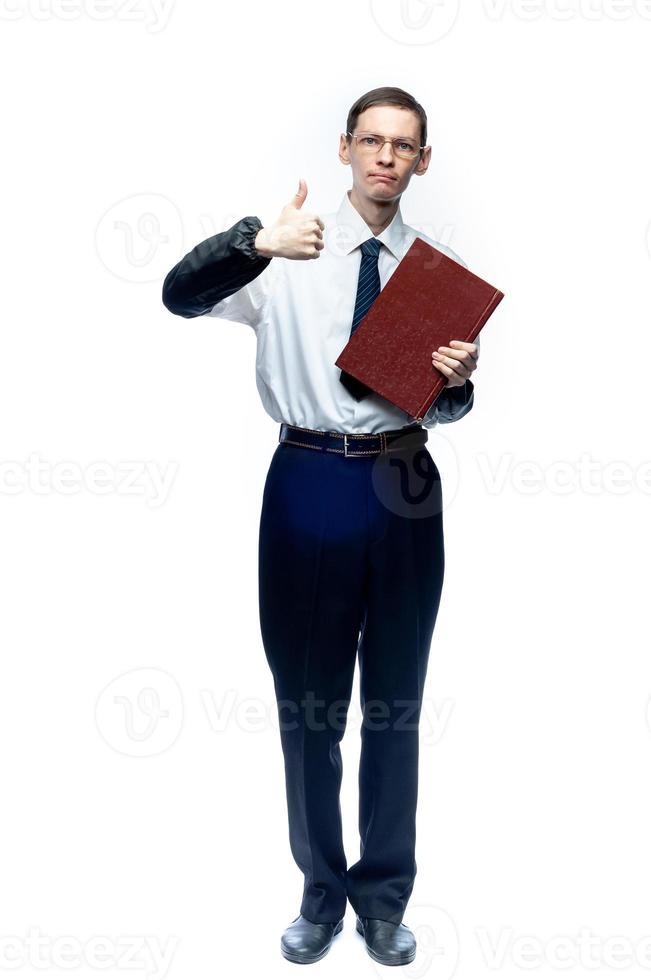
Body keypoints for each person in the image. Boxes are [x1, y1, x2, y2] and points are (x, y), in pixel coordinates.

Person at [162, 85, 480, 966]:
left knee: (395, 706)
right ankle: (318, 892)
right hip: (307, 478)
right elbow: (176, 297)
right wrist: (249, 242)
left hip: (405, 483)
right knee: (310, 712)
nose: (385, 157)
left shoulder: (436, 272)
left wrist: (456, 380)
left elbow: (447, 407)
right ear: (344, 149)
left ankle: (383, 899)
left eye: (402, 145)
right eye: (370, 140)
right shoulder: (286, 249)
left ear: (423, 161)